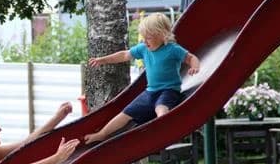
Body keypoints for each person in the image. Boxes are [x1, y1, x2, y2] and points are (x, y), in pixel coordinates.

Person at [84, 13, 200, 145]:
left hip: (169, 90)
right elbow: (124, 55)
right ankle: (102, 134)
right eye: (143, 37)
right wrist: (102, 60)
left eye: (148, 37)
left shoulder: (172, 49)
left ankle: (163, 131)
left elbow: (191, 58)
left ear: (162, 35)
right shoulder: (144, 49)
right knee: (125, 114)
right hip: (150, 92)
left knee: (161, 108)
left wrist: (195, 66)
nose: (144, 41)